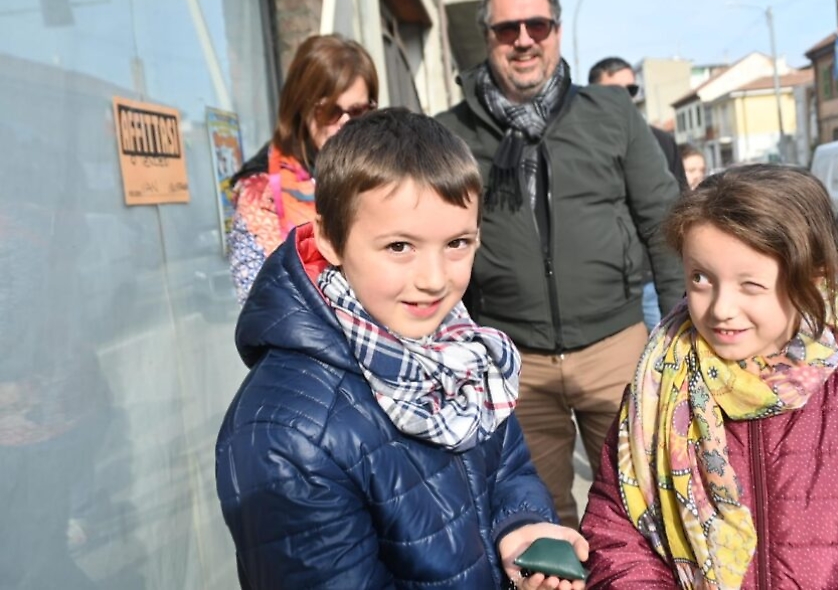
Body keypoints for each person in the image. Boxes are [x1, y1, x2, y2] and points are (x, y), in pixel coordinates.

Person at [215, 108, 588, 590]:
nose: (434, 281)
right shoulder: (289, 435)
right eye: (399, 247)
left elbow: (508, 466)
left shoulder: (461, 345)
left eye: (457, 243)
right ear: (329, 238)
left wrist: (522, 526)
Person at [581, 164, 838, 589]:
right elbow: (617, 530)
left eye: (750, 284)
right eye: (700, 278)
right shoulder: (655, 394)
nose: (721, 308)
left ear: (811, 278)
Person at [436, 0, 684, 526]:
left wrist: (677, 330)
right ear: (488, 38)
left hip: (614, 347)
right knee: (539, 524)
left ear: (557, 31)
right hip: (511, 360)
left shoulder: (610, 113)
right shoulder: (450, 133)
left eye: (537, 24)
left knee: (638, 508)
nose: (523, 38)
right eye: (507, 29)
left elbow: (663, 221)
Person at [227, 33, 379, 303]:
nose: (344, 123)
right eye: (328, 111)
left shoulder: (384, 171)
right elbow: (260, 303)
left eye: (357, 112)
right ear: (301, 107)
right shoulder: (261, 192)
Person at [588, 56, 687, 331]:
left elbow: (679, 205)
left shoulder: (662, 141)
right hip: (610, 288)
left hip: (657, 279)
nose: (624, 97)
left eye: (631, 90)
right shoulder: (580, 148)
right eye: (614, 91)